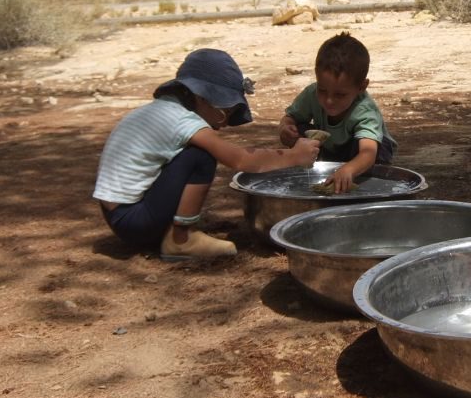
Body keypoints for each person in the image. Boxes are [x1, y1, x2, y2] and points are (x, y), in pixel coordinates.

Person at [93, 48, 320, 260]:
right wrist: (294, 156)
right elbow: (241, 159)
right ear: (201, 97)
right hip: (134, 221)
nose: (222, 125)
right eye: (224, 113)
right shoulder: (182, 120)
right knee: (200, 156)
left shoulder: (159, 110)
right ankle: (181, 239)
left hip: (117, 214)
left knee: (186, 153)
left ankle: (173, 230)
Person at [278, 32, 396, 193]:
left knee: (370, 152)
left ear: (361, 87)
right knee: (299, 128)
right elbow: (290, 118)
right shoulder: (312, 94)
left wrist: (349, 169)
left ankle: (355, 172)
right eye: (323, 91)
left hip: (368, 153)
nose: (329, 101)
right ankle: (316, 167)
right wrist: (286, 127)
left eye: (340, 95)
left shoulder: (364, 110)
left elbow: (368, 153)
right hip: (332, 149)